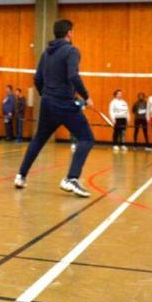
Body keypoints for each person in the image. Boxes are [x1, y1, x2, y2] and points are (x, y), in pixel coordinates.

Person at [14, 19, 95, 197]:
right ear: (69, 33)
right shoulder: (72, 51)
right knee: (87, 138)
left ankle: (20, 176)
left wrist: (47, 95)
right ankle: (71, 178)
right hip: (65, 103)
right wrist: (86, 97)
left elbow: (37, 79)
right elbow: (73, 75)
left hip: (48, 103)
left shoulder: (46, 53)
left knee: (39, 140)